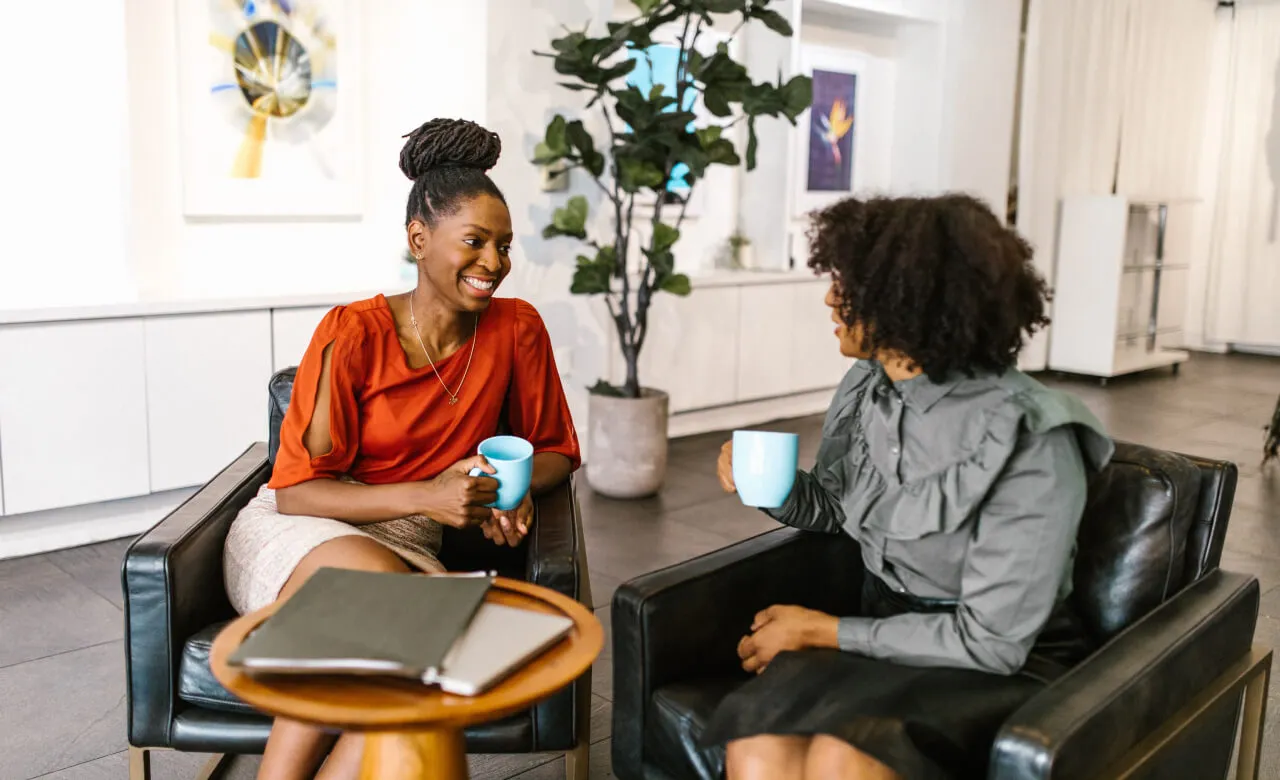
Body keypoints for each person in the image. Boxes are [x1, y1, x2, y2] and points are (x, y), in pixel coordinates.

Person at [706, 194, 1114, 780]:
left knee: (841, 761)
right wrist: (766, 486)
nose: (829, 297)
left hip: (997, 663)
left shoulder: (1032, 435)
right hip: (883, 629)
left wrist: (824, 632)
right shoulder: (867, 386)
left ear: (909, 297)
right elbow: (834, 505)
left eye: (847, 283)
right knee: (757, 746)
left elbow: (993, 642)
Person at [221, 118, 581, 780]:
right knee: (379, 609)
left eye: (504, 246)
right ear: (419, 239)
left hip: (409, 542)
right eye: (474, 242)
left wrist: (515, 486)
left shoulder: (516, 329)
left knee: (408, 680)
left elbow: (556, 448)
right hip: (305, 529)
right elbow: (296, 490)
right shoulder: (351, 333)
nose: (495, 263)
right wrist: (433, 493)